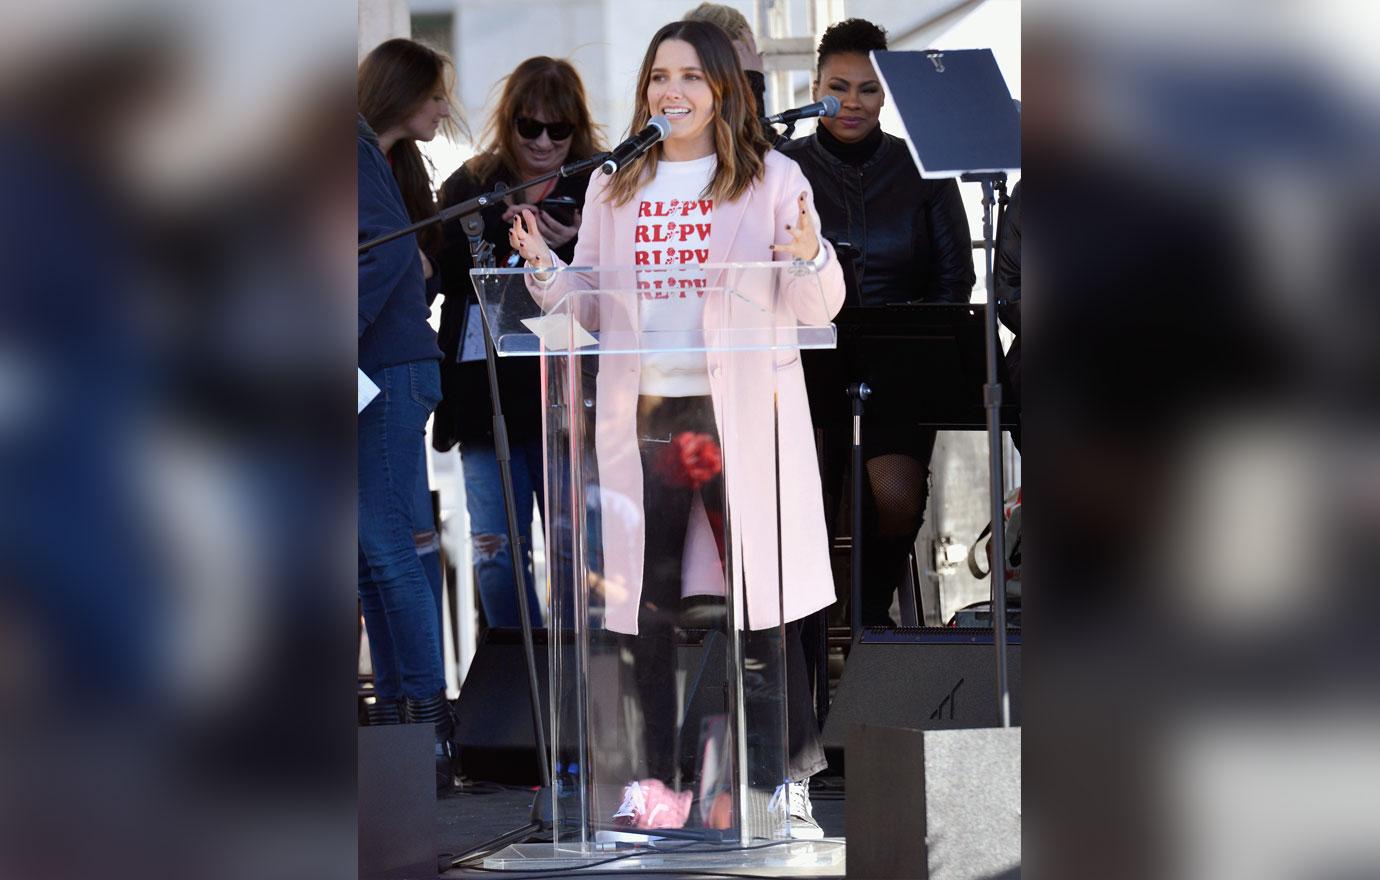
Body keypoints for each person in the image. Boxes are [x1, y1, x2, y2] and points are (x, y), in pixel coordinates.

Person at [509, 19, 843, 840]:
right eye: (660, 76)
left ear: (724, 88)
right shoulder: (615, 185)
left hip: (742, 419)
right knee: (646, 612)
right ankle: (655, 785)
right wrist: (547, 275)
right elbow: (591, 304)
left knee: (760, 604)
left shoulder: (771, 178)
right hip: (648, 417)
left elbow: (818, 305)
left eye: (691, 76)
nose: (672, 91)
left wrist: (808, 255)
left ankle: (781, 780)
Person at [778, 18, 975, 627]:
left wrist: (920, 346)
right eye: (838, 86)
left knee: (894, 497)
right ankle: (803, 629)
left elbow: (954, 278)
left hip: (902, 368)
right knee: (801, 500)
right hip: (804, 366)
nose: (852, 102)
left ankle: (865, 612)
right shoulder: (783, 168)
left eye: (868, 88)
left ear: (887, 92)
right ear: (815, 86)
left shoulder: (923, 169)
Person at [433, 57, 606, 629]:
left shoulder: (599, 186)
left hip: (569, 390)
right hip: (488, 393)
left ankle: (583, 668)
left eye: (558, 129)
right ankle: (513, 669)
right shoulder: (471, 185)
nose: (543, 141)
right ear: (509, 123)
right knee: (495, 548)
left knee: (575, 548)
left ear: (576, 128)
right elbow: (441, 273)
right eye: (529, 126)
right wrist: (493, 241)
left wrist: (574, 244)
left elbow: (619, 282)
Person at [357, 88, 454, 787]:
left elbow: (389, 254)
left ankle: (426, 733)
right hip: (372, 365)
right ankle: (399, 729)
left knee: (389, 551)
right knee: (370, 556)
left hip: (385, 367)